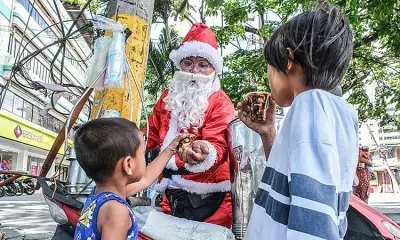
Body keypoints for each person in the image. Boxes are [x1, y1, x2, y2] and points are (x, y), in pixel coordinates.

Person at [238, 4, 359, 239]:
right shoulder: (337, 112)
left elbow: (314, 219)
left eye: (270, 69)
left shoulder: (310, 105)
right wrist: (268, 134)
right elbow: (299, 185)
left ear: (288, 59)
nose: (269, 79)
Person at [127, 23, 235, 228]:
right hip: (170, 191)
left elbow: (219, 146)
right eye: (187, 63)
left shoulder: (221, 102)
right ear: (179, 65)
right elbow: (149, 133)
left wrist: (205, 152)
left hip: (210, 196)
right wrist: (125, 145)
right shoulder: (168, 97)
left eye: (202, 64)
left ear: (214, 69)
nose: (194, 70)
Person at [73, 118, 191, 240]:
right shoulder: (117, 211)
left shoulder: (101, 195)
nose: (144, 158)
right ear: (128, 164)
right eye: (142, 153)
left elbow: (146, 178)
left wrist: (170, 149)